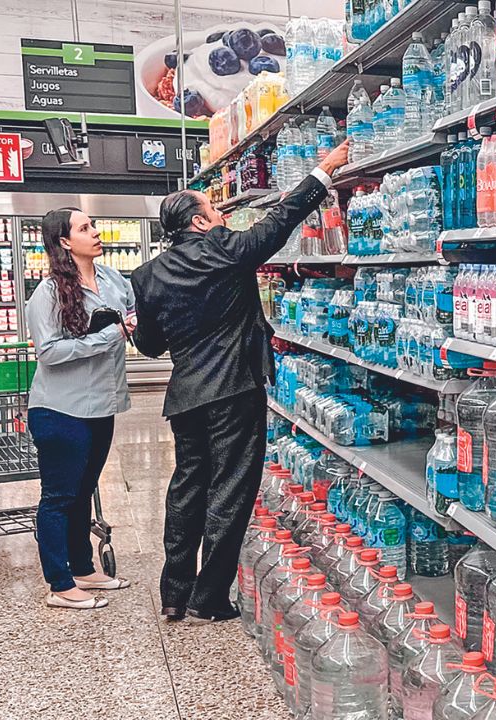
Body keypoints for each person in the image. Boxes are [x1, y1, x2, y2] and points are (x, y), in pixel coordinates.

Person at [132, 141, 350, 622]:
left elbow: (149, 346)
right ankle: (209, 597)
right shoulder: (224, 248)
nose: (220, 216)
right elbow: (277, 223)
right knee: (230, 488)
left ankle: (174, 593)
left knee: (187, 489)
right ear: (198, 222)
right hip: (233, 391)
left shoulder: (146, 275)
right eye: (213, 210)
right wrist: (323, 171)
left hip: (185, 396)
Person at [25, 207, 136, 610]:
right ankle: (59, 583)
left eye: (93, 225)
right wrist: (109, 337)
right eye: (85, 228)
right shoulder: (49, 292)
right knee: (58, 496)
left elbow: (133, 312)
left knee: (83, 491)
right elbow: (49, 352)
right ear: (65, 242)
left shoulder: (111, 279)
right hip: (59, 409)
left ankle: (83, 568)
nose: (95, 232)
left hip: (100, 406)